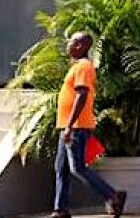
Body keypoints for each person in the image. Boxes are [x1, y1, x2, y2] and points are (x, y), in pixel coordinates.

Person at [52, 32, 125, 218]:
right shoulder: (77, 66)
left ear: (80, 45)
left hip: (75, 126)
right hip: (68, 126)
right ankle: (61, 209)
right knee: (61, 168)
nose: (67, 45)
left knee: (77, 168)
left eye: (70, 42)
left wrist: (70, 126)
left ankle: (113, 195)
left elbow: (82, 94)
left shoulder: (84, 66)